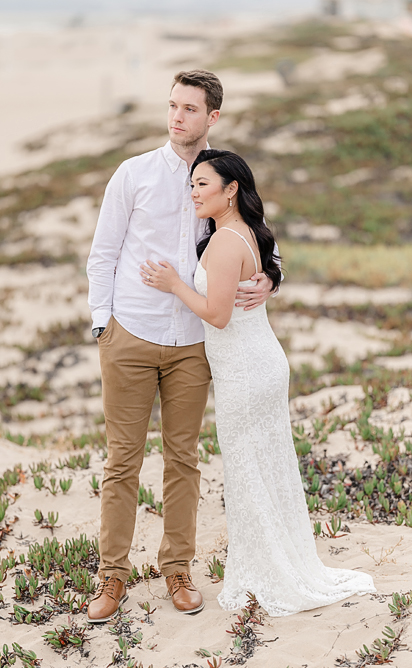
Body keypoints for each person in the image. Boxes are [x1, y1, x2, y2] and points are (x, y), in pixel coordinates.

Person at [141, 148, 375, 615]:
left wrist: (174, 285)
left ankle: (271, 573)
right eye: (191, 184)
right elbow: (263, 270)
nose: (193, 193)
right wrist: (271, 275)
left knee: (249, 472)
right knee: (264, 469)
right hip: (257, 364)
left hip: (245, 371)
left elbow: (217, 315)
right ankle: (272, 564)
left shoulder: (226, 242)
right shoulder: (242, 231)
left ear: (231, 190)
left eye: (202, 184)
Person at [84, 69, 276, 622]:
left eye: (190, 109)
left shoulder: (224, 174)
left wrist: (271, 277)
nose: (176, 117)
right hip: (131, 334)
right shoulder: (133, 173)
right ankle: (112, 577)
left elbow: (256, 234)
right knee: (121, 461)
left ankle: (178, 568)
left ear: (212, 117)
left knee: (182, 460)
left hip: (195, 343)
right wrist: (104, 325)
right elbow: (103, 252)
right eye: (172, 106)